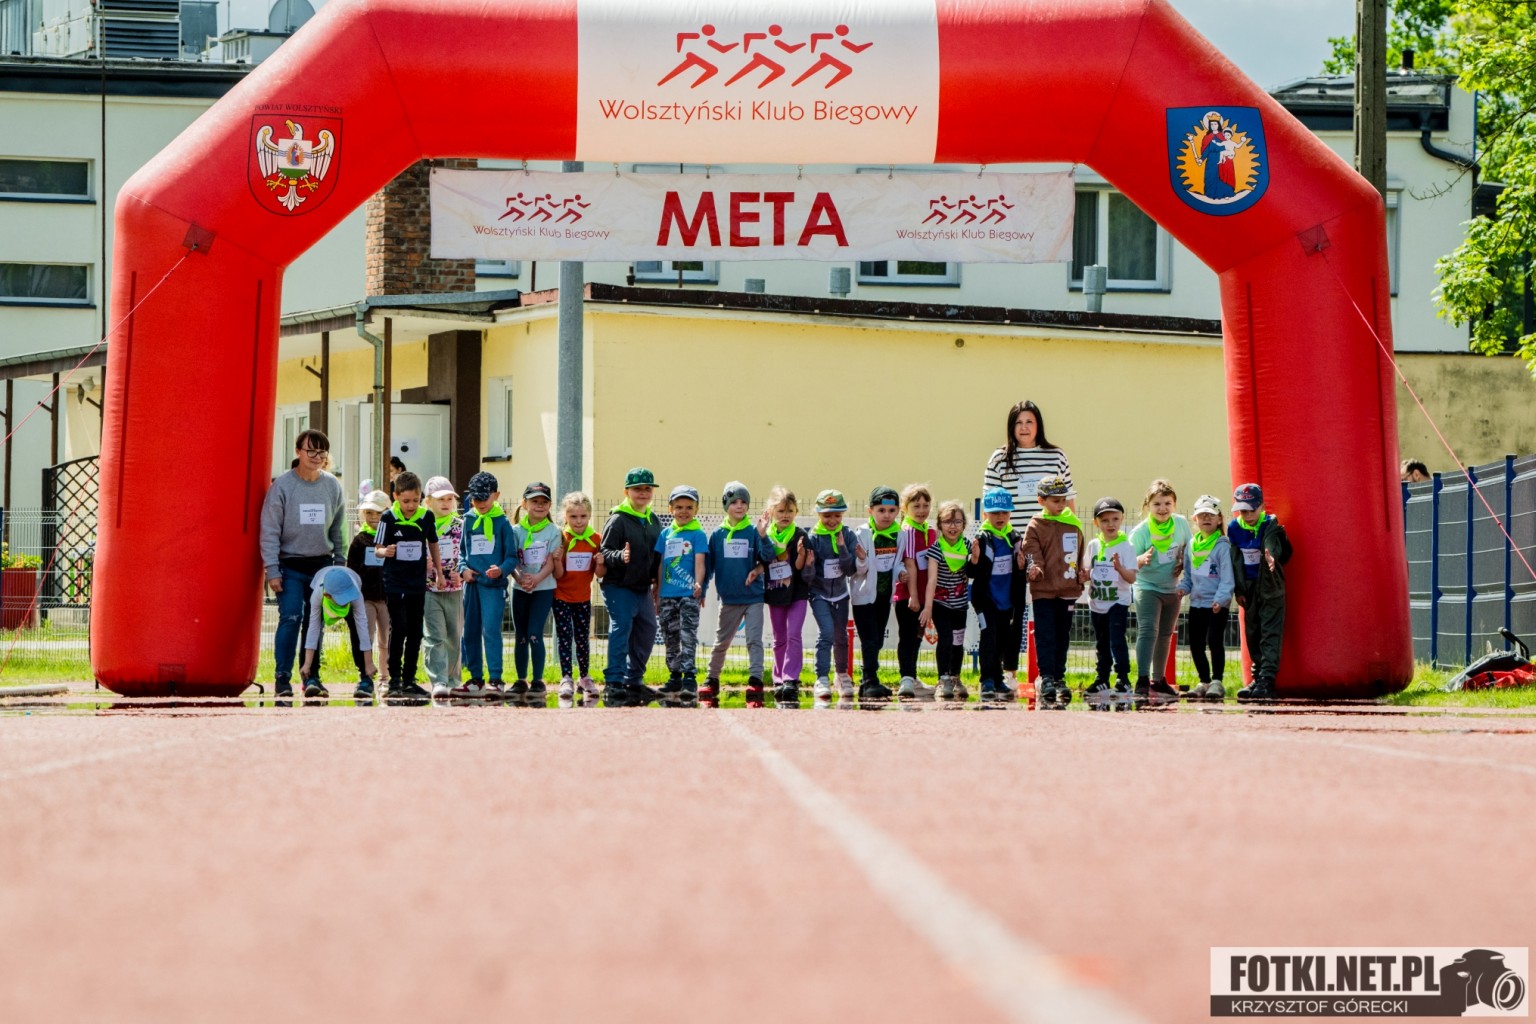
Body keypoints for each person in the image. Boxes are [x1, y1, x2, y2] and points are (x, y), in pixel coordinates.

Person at [260, 428, 348, 700]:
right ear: (298, 451)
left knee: (315, 622)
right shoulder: (282, 486)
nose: (317, 456)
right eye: (311, 451)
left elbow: (339, 529)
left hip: (322, 566)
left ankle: (311, 676)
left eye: (322, 452)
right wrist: (272, 569)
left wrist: (340, 564)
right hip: (289, 565)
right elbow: (270, 530)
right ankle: (282, 678)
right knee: (291, 617)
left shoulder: (332, 485)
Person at [600, 467, 664, 707]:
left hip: (642, 587)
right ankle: (614, 681)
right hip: (618, 585)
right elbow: (605, 551)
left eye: (647, 489)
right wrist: (620, 556)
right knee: (622, 627)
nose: (643, 493)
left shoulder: (653, 520)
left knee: (648, 629)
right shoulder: (617, 519)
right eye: (637, 489)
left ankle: (633, 679)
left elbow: (657, 555)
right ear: (626, 491)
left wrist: (656, 580)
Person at [373, 471, 439, 701]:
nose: (411, 506)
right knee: (399, 628)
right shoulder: (388, 518)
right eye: (406, 501)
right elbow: (377, 549)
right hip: (395, 583)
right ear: (396, 497)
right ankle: (395, 680)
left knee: (415, 631)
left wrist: (439, 572)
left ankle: (410, 680)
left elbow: (433, 543)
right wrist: (386, 551)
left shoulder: (426, 517)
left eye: (415, 500)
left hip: (417, 583)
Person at [705, 482, 772, 707]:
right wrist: (702, 589)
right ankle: (712, 679)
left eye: (744, 502)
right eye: (734, 502)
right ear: (726, 505)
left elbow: (768, 557)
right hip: (729, 600)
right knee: (721, 642)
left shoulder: (754, 531)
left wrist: (763, 535)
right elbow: (709, 566)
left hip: (753, 597)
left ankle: (755, 680)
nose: (740, 506)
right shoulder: (717, 534)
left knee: (754, 641)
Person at [453, 471, 519, 699]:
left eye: (484, 497)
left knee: (490, 630)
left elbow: (512, 557)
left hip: (493, 587)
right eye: (475, 498)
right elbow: (462, 553)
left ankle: (496, 679)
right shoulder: (468, 520)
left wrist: (501, 569)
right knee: (470, 632)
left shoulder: (503, 523)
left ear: (496, 495)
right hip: (471, 586)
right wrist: (463, 569)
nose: (479, 502)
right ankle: (475, 678)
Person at [1022, 476, 1085, 707]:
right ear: (1041, 500)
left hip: (1068, 590)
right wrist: (1035, 569)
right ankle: (1046, 676)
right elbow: (1030, 552)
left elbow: (1079, 554)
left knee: (1062, 635)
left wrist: (1081, 574)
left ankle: (1059, 677)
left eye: (1063, 500)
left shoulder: (1073, 523)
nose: (1061, 504)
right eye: (1055, 500)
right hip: (1044, 591)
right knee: (1045, 634)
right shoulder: (1035, 525)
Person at [1228, 482, 1291, 702]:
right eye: (1242, 510)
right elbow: (1234, 560)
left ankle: (1267, 679)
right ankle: (1257, 676)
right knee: (1252, 633)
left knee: (1270, 633)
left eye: (1251, 510)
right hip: (1249, 589)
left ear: (1262, 506)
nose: (1247, 515)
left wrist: (1271, 555)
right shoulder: (1234, 529)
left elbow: (1275, 545)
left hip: (1270, 587)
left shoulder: (1271, 525)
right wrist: (1238, 589)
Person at [1130, 479, 1192, 702]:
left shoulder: (1181, 524)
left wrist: (1183, 562)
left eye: (1167, 503)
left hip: (1172, 588)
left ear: (1174, 504)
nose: (1162, 508)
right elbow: (1129, 562)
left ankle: (1158, 680)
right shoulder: (1141, 532)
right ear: (1148, 505)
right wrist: (1140, 559)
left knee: (1165, 634)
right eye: (1157, 504)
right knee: (1148, 630)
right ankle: (1142, 679)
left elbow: (1190, 549)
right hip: (1147, 587)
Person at [982, 400, 1073, 534]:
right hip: (1010, 542)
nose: (1024, 427)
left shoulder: (1057, 457)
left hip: (1049, 539)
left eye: (1029, 422)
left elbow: (1068, 502)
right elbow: (988, 505)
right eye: (1018, 423)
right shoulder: (999, 459)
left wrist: (1071, 537)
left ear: (1038, 425)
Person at [803, 489, 859, 705]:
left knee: (841, 635)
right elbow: (807, 577)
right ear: (818, 514)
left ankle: (842, 674)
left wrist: (843, 547)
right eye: (827, 515)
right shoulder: (813, 538)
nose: (832, 520)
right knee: (826, 633)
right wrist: (809, 564)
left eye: (837, 515)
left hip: (841, 594)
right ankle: (821, 678)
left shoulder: (848, 534)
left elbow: (850, 570)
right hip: (819, 594)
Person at [655, 484, 709, 706]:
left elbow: (700, 562)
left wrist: (699, 583)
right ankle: (674, 676)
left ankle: (689, 677)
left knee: (688, 636)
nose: (683, 511)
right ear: (671, 509)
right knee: (670, 636)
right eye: (679, 507)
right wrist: (658, 592)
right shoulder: (665, 534)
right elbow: (661, 565)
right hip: (667, 594)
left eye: (688, 507)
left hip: (688, 594)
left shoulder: (698, 534)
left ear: (696, 509)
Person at [969, 488, 1024, 702]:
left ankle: (998, 677)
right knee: (989, 636)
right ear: (985, 514)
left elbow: (1021, 568)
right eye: (994, 513)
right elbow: (971, 571)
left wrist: (1022, 566)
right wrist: (974, 560)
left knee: (1002, 639)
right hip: (986, 599)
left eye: (1004, 512)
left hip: (1007, 599)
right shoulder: (981, 538)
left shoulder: (1015, 537)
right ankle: (987, 680)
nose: (1000, 517)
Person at [1178, 494, 1235, 701]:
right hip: (1197, 603)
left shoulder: (1222, 546)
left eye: (1211, 515)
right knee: (1196, 644)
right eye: (1202, 515)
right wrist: (1182, 589)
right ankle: (1203, 681)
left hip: (1216, 604)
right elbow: (1188, 576)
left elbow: (1227, 578)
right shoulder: (1192, 545)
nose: (1206, 519)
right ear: (1195, 519)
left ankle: (1217, 681)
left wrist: (1221, 599)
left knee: (1214, 641)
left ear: (1219, 519)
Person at [759, 486, 812, 708]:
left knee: (793, 635)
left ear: (796, 511)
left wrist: (801, 554)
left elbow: (799, 567)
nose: (785, 515)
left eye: (790, 511)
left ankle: (791, 678)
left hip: (797, 593)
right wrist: (762, 535)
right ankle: (779, 678)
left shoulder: (800, 535)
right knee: (779, 638)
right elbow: (763, 560)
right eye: (781, 511)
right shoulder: (766, 536)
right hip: (775, 592)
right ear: (771, 511)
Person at [849, 485, 901, 704]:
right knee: (869, 638)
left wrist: (902, 573)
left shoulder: (899, 534)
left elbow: (897, 563)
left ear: (898, 511)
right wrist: (862, 559)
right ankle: (870, 680)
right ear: (870, 511)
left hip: (884, 596)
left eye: (891, 511)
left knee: (878, 639)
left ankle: (866, 680)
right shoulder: (862, 534)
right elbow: (857, 570)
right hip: (864, 597)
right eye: (881, 510)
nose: (886, 515)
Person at [919, 500, 974, 701]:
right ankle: (943, 680)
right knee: (946, 639)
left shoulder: (967, 546)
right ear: (940, 525)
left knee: (958, 642)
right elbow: (932, 579)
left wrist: (975, 559)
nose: (953, 526)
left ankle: (955, 678)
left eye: (957, 522)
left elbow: (972, 571)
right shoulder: (936, 549)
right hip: (941, 604)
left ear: (963, 525)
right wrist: (928, 607)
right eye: (947, 522)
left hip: (960, 604)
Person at [552, 491, 604, 706]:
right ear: (565, 516)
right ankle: (566, 677)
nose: (578, 521)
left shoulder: (596, 539)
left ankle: (584, 676)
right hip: (561, 596)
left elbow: (600, 574)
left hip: (583, 597)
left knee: (582, 638)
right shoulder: (560, 538)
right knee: (565, 637)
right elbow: (558, 575)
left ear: (589, 516)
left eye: (583, 516)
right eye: (573, 516)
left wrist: (600, 562)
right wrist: (557, 560)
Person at [510, 481, 559, 707]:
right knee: (520, 635)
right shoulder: (516, 531)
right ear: (524, 504)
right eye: (534, 501)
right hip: (520, 588)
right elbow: (511, 559)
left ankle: (538, 680)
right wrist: (519, 578)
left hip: (543, 588)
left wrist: (536, 579)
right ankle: (521, 679)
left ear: (549, 505)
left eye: (544, 502)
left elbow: (551, 562)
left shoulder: (553, 531)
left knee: (534, 633)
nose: (539, 506)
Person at [1084, 496, 1136, 706]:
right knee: (1101, 643)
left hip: (1117, 602)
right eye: (1104, 520)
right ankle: (1102, 679)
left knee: (1117, 640)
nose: (1110, 524)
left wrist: (1119, 568)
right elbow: (1087, 570)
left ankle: (1123, 678)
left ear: (1121, 519)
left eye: (1115, 519)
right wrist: (1082, 575)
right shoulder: (1093, 545)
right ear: (1096, 523)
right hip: (1097, 603)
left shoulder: (1126, 546)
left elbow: (1132, 578)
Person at [298, 565, 376, 701]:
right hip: (320, 582)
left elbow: (363, 628)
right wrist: (307, 664)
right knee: (309, 627)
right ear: (327, 595)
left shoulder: (355, 594)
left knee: (357, 630)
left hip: (352, 580)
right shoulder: (318, 595)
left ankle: (366, 679)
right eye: (342, 598)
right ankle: (310, 677)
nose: (346, 600)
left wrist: (369, 663)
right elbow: (313, 630)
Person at [346, 489, 392, 694]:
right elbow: (351, 569)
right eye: (369, 513)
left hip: (388, 597)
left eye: (379, 513)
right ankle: (365, 675)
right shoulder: (359, 540)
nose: (374, 517)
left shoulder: (392, 538)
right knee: (366, 636)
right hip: (365, 598)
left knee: (387, 639)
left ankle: (385, 677)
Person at [422, 475, 464, 699]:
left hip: (454, 589)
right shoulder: (422, 526)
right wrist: (423, 563)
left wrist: (462, 574)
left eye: (449, 498)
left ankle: (453, 680)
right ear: (428, 501)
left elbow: (467, 556)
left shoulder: (460, 526)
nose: (446, 503)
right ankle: (438, 681)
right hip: (429, 589)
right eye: (440, 499)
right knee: (434, 636)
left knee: (454, 636)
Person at [894, 484, 937, 701]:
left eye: (925, 505)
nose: (921, 510)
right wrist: (913, 595)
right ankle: (906, 678)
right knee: (908, 636)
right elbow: (910, 563)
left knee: (918, 636)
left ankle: (913, 677)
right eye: (916, 506)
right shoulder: (908, 531)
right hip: (909, 596)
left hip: (925, 594)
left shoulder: (930, 531)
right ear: (905, 508)